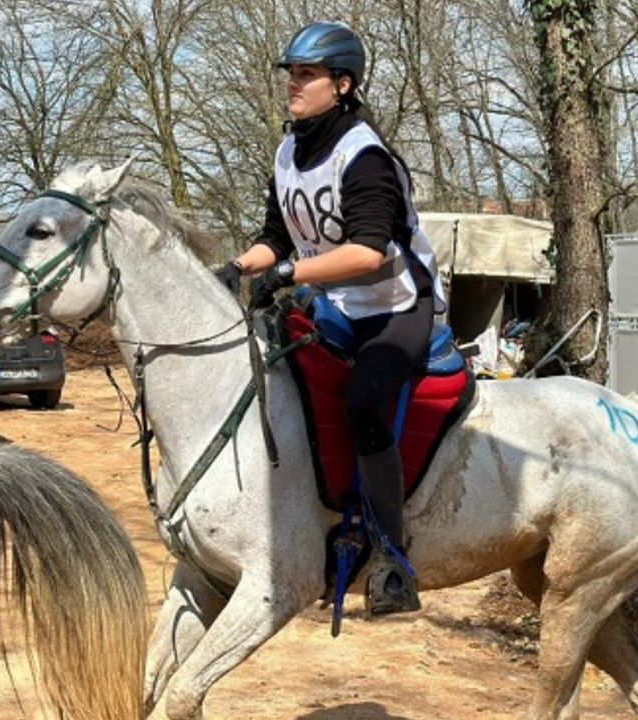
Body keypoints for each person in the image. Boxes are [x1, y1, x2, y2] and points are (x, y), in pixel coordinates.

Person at [214, 21, 446, 615]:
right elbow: (275, 238)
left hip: (396, 307)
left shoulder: (364, 153)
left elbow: (368, 251)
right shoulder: (288, 151)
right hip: (337, 305)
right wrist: (237, 267)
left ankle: (393, 559)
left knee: (366, 402)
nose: (293, 84)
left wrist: (291, 275)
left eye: (306, 74)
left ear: (343, 84)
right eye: (291, 73)